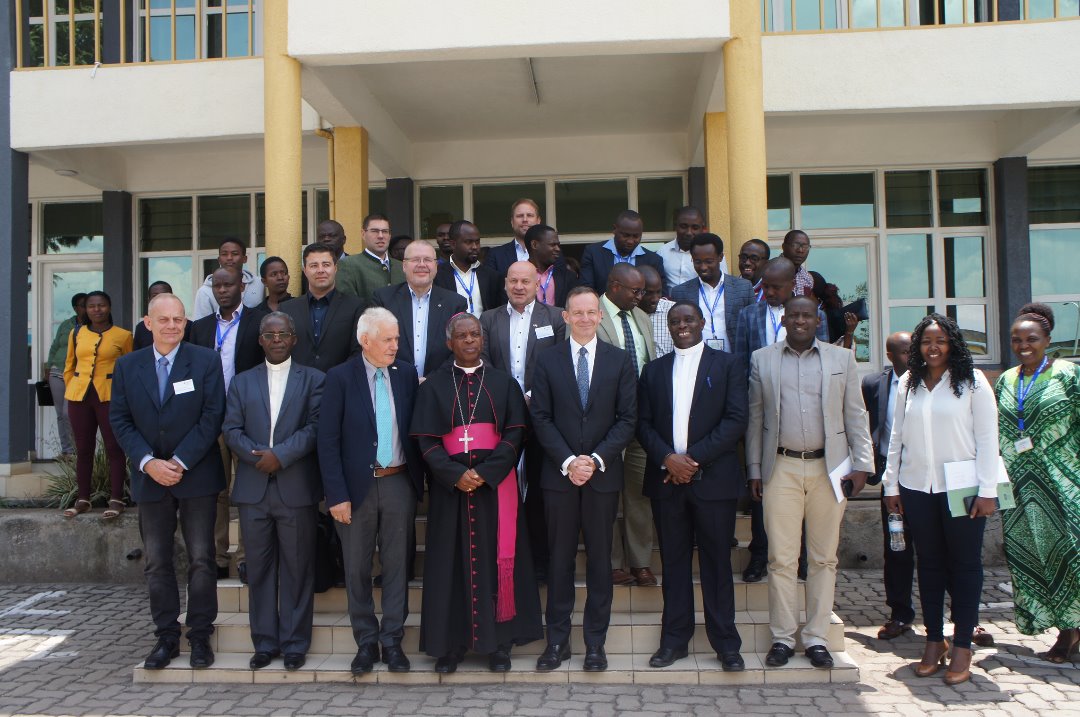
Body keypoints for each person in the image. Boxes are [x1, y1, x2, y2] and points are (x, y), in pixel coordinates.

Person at [746, 295, 874, 670]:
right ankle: (783, 638)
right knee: (781, 559)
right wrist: (754, 470)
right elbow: (755, 420)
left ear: (819, 321)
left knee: (823, 557)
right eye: (794, 315)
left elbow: (856, 415)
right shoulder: (762, 359)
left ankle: (817, 638)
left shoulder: (842, 359)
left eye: (808, 315)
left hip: (829, 470)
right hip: (780, 467)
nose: (801, 321)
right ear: (784, 320)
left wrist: (863, 465)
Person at [411, 313, 543, 673]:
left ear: (482, 339)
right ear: (449, 342)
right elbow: (425, 439)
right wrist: (455, 474)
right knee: (450, 565)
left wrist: (485, 473)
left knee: (497, 561)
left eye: (475, 335)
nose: (470, 341)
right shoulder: (434, 386)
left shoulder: (503, 384)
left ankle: (500, 644)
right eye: (462, 336)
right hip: (450, 490)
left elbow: (517, 433)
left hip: (495, 490)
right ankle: (450, 645)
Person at [109, 293, 226, 670]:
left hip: (196, 476)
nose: (172, 326)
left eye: (178, 319)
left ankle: (200, 636)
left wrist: (178, 461)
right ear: (148, 323)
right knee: (157, 562)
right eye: (164, 320)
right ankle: (166, 636)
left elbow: (213, 415)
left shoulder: (205, 361)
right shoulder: (128, 366)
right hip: (150, 480)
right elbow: (120, 420)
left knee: (202, 559)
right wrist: (148, 463)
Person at [881, 313, 999, 685]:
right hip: (917, 487)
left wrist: (988, 490)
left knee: (965, 566)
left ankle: (962, 643)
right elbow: (896, 437)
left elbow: (987, 441)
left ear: (953, 345)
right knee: (928, 564)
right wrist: (891, 486)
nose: (933, 348)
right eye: (926, 342)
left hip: (963, 491)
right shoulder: (909, 383)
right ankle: (934, 640)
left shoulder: (972, 382)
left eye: (941, 341)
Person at [529, 287, 637, 672]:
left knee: (599, 562)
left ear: (601, 316)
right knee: (558, 561)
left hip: (602, 476)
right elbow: (539, 416)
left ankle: (595, 644)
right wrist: (568, 460)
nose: (586, 318)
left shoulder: (619, 360)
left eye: (592, 312)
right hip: (559, 478)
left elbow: (627, 418)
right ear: (566, 316)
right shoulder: (547, 359)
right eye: (578, 312)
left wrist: (593, 459)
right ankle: (556, 642)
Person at [637, 301, 749, 671]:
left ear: (702, 322)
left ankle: (726, 643)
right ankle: (674, 641)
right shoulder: (653, 371)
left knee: (717, 564)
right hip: (667, 482)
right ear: (667, 327)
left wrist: (692, 459)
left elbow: (735, 420)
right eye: (675, 321)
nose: (682, 325)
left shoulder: (728, 365)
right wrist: (669, 459)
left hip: (713, 482)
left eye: (688, 319)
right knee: (673, 563)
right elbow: (643, 424)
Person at [318, 308, 425, 675]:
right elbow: (327, 441)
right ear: (366, 340)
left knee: (397, 565)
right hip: (355, 488)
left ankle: (393, 640)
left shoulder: (406, 373)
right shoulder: (340, 377)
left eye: (397, 338)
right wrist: (336, 495)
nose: (396, 345)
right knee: (357, 567)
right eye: (388, 339)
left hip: (398, 482)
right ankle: (366, 641)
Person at [223, 312, 324, 671]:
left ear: (294, 338)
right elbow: (231, 428)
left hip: (295, 488)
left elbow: (315, 427)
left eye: (283, 333)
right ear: (261, 340)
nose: (277, 339)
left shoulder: (314, 379)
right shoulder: (241, 382)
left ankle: (296, 643)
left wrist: (280, 455)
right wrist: (257, 458)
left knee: (298, 569)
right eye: (270, 334)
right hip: (253, 489)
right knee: (260, 569)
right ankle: (265, 643)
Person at [733, 257, 827, 583]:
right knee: (762, 490)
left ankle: (800, 558)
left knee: (804, 492)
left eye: (776, 286)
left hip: (805, 419)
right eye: (765, 286)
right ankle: (761, 553)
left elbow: (825, 364)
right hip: (762, 419)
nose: (769, 292)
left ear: (793, 285)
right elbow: (742, 365)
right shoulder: (748, 316)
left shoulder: (814, 317)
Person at [996, 303, 1080, 663]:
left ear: (1047, 339)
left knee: (1071, 554)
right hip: (1021, 486)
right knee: (1037, 557)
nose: (1023, 345)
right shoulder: (1006, 379)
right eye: (1016, 339)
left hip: (1066, 480)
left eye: (1031, 338)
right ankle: (1066, 630)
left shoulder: (1067, 374)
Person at [479, 260, 566, 580]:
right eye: (513, 280)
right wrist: (510, 396)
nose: (518, 286)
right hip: (501, 414)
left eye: (525, 281)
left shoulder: (555, 318)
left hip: (543, 414)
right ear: (504, 284)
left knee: (541, 487)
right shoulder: (488, 319)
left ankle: (540, 562)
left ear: (536, 285)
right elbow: (483, 361)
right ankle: (504, 558)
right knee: (504, 485)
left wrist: (533, 395)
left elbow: (560, 362)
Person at [191, 267, 267, 581]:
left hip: (247, 419)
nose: (222, 290)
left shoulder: (258, 321)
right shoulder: (200, 328)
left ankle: (247, 557)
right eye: (217, 285)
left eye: (228, 284)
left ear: (242, 286)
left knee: (247, 490)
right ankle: (218, 557)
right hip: (210, 419)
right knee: (216, 491)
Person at [596, 264, 657, 587]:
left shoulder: (641, 317)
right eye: (635, 291)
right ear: (614, 285)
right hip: (605, 422)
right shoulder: (591, 314)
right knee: (607, 495)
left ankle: (640, 562)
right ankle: (611, 561)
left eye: (643, 291)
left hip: (639, 420)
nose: (641, 296)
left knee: (638, 493)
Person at [862, 332, 917, 640]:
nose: (913, 357)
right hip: (892, 482)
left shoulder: (931, 382)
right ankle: (900, 613)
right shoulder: (873, 385)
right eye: (906, 352)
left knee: (942, 550)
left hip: (928, 480)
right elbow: (864, 423)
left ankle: (963, 618)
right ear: (890, 356)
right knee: (897, 548)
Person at [61, 290, 133, 519]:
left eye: (101, 305)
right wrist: (72, 383)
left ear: (109, 307)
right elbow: (69, 365)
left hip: (110, 397)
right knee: (83, 449)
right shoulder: (76, 334)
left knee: (114, 448)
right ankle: (83, 498)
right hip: (79, 396)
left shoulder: (123, 335)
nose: (96, 310)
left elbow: (129, 369)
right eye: (91, 306)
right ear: (85, 309)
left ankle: (116, 499)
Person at [373, 240, 467, 379]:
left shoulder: (455, 303)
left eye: (428, 260)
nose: (422, 265)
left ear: (436, 266)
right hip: (393, 383)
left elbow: (459, 349)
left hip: (439, 386)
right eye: (415, 260)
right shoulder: (384, 299)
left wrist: (431, 380)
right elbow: (375, 343)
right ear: (404, 266)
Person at [280, 243, 365, 374]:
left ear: (335, 268)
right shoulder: (287, 309)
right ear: (305, 270)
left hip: (341, 386)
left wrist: (338, 379)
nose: (320, 270)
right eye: (314, 265)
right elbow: (281, 350)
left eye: (326, 264)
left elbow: (358, 350)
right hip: (297, 387)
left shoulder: (356, 307)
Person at [670, 233, 753, 353]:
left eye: (709, 261)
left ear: (720, 257)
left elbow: (751, 328)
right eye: (697, 262)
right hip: (696, 362)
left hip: (734, 360)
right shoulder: (680, 292)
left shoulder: (743, 287)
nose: (703, 267)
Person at [579, 210, 665, 293]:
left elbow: (660, 295)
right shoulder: (593, 253)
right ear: (614, 229)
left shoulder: (654, 261)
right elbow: (586, 291)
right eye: (626, 235)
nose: (630, 241)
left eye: (636, 236)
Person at [45, 292, 86, 457]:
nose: (86, 308)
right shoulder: (65, 325)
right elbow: (55, 346)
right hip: (57, 372)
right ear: (76, 308)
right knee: (60, 414)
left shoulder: (91, 327)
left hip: (77, 374)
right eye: (83, 305)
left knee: (68, 413)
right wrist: (48, 367)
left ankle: (78, 450)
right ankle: (67, 451)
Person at [434, 220, 504, 317]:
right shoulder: (437, 275)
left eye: (477, 242)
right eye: (468, 242)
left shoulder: (491, 276)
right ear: (453, 244)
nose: (475, 247)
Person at [336, 213, 405, 306]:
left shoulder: (402, 267)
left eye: (385, 231)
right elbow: (348, 307)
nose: (381, 236)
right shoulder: (348, 264)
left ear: (390, 235)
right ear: (363, 234)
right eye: (374, 231)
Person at [193, 237, 264, 319]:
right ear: (219, 260)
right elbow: (201, 326)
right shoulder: (205, 292)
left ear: (244, 259)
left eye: (235, 254)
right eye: (224, 254)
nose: (229, 258)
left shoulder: (259, 284)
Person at [483, 198, 544, 278]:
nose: (525, 219)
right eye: (520, 216)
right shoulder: (495, 255)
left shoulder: (552, 253)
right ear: (512, 222)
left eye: (529, 215)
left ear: (538, 221)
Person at [657, 206, 707, 295]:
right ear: (675, 226)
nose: (688, 232)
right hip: (670, 307)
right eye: (683, 226)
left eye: (695, 228)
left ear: (702, 229)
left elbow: (721, 285)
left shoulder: (711, 254)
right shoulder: (663, 252)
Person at [527, 224, 579, 308]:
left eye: (558, 245)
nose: (558, 249)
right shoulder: (516, 277)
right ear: (534, 245)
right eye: (552, 245)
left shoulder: (568, 277)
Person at [134, 282, 192, 350]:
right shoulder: (141, 327)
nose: (171, 326)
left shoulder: (189, 326)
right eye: (155, 296)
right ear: (148, 323)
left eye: (177, 320)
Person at [636, 265, 673, 358]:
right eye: (649, 293)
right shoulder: (626, 312)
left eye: (658, 292)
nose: (655, 299)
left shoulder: (673, 311)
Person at [781, 230, 814, 298]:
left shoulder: (808, 278)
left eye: (805, 247)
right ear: (783, 247)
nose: (800, 250)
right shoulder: (770, 270)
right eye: (795, 245)